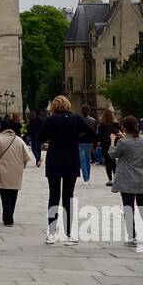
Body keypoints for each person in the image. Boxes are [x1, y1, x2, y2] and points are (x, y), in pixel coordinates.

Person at [35, 96, 89, 245]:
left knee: (54, 196)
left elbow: (39, 139)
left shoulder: (50, 120)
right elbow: (91, 133)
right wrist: (75, 137)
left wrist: (52, 137)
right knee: (68, 197)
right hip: (71, 161)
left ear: (54, 107)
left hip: (54, 161)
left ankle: (51, 234)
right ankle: (69, 234)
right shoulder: (76, 119)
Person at [109, 115, 143, 253]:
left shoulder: (123, 143)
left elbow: (112, 154)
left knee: (128, 207)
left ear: (124, 127)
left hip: (127, 180)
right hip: (142, 179)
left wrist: (112, 141)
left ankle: (132, 236)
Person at [0, 118, 33, 225]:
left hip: (3, 171)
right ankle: (9, 215)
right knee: (13, 194)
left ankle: (7, 218)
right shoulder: (19, 140)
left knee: (5, 195)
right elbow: (27, 157)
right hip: (16, 171)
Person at [96, 108, 120, 184]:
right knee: (113, 161)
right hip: (113, 142)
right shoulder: (115, 123)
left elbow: (99, 135)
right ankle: (116, 177)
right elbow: (117, 132)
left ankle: (110, 179)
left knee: (107, 161)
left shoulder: (102, 124)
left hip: (105, 144)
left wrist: (97, 141)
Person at [78, 105, 96, 182]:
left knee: (83, 161)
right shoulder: (93, 120)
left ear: (81, 111)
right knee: (88, 160)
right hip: (89, 142)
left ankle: (85, 178)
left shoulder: (79, 120)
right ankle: (87, 176)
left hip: (80, 142)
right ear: (89, 111)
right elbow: (94, 132)